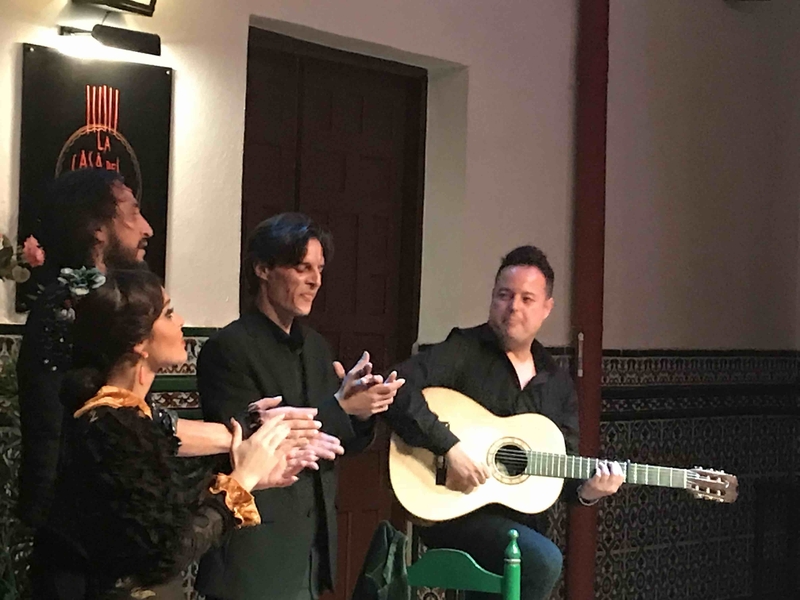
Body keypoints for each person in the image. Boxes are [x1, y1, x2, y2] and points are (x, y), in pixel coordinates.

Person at [17, 169, 322, 599]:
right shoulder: (75, 336)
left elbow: (150, 436)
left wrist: (249, 440)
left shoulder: (124, 416)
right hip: (79, 556)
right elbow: (115, 450)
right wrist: (243, 475)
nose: (147, 228)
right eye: (133, 213)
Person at [384, 245, 624, 600]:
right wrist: (449, 447)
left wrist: (589, 492)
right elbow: (395, 387)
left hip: (522, 526)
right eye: (504, 295)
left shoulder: (556, 383)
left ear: (546, 308)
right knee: (542, 560)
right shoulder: (464, 349)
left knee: (534, 555)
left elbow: (565, 471)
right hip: (452, 510)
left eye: (527, 299)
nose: (513, 307)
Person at [49, 267, 306, 598]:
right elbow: (166, 553)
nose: (181, 321)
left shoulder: (132, 417)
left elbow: (167, 501)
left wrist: (251, 467)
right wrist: (240, 482)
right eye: (169, 314)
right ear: (140, 342)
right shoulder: (108, 428)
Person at [196, 212, 406, 600]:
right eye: (301, 267)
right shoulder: (229, 348)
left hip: (310, 547)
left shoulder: (316, 347)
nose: (315, 280)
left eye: (320, 269)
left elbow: (334, 444)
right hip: (253, 551)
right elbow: (251, 444)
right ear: (262, 269)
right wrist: (341, 407)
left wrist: (361, 415)